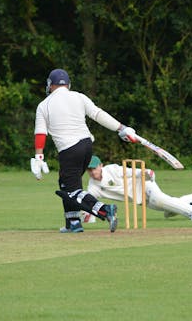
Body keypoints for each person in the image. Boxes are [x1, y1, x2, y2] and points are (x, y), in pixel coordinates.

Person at [30, 68, 138, 233]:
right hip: (87, 146)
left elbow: (40, 133)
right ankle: (73, 222)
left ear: (50, 85)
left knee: (71, 190)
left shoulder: (44, 105)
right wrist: (121, 128)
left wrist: (38, 156)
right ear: (68, 84)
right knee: (67, 185)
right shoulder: (79, 97)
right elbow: (98, 114)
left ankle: (105, 210)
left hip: (69, 149)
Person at [82, 155, 192, 223]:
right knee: (169, 211)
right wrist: (87, 216)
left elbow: (132, 171)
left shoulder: (112, 169)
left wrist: (147, 172)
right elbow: (89, 201)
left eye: (94, 168)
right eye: (89, 170)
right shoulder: (93, 186)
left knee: (160, 199)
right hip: (140, 199)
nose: (93, 172)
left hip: (144, 184)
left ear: (100, 165)